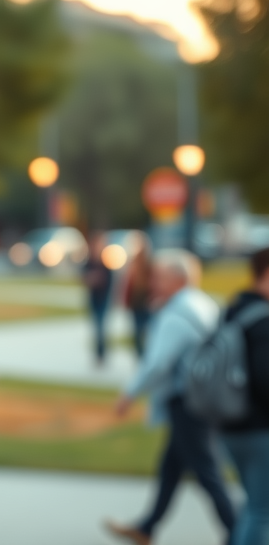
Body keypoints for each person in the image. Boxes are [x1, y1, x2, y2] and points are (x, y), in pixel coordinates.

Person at [106, 249, 235, 545]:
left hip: (187, 400)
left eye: (159, 277)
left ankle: (238, 529)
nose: (152, 283)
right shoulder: (203, 304)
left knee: (206, 471)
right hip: (204, 398)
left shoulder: (176, 313)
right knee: (172, 467)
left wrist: (129, 394)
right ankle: (147, 527)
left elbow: (157, 363)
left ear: (180, 279)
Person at [219, 246, 269, 545]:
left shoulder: (234, 309)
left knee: (253, 505)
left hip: (231, 423)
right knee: (261, 513)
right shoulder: (263, 320)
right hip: (257, 429)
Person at [83, 231, 113, 367]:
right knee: (96, 327)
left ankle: (102, 354)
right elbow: (83, 277)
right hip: (93, 298)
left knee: (101, 327)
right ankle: (98, 354)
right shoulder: (89, 262)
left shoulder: (106, 262)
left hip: (103, 298)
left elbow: (110, 281)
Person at [126, 240, 153, 358]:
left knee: (146, 331)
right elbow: (129, 286)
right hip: (136, 304)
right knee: (138, 331)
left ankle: (144, 354)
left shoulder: (149, 266)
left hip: (146, 304)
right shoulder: (135, 265)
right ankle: (141, 355)